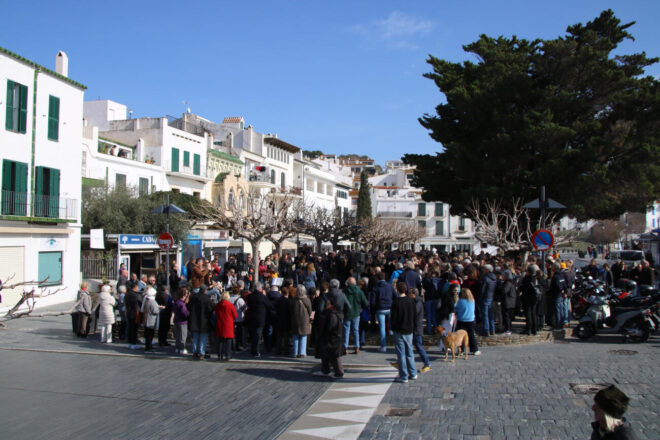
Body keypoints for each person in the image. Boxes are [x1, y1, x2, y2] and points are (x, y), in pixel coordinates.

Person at [391, 282, 417, 383]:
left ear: (397, 290)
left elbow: (393, 318)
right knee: (409, 352)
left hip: (399, 329)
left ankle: (404, 375)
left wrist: (393, 328)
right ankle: (413, 372)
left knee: (401, 353)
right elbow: (414, 316)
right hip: (409, 329)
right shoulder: (411, 301)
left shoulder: (396, 302)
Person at [314, 297, 344, 378]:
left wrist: (324, 331)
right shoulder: (331, 313)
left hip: (332, 338)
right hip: (331, 337)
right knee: (326, 355)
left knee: (334, 356)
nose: (326, 305)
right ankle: (325, 370)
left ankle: (339, 373)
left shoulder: (332, 314)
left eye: (327, 304)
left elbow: (330, 327)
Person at [370, 272, 396, 352]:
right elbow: (395, 295)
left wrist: (373, 309)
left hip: (380, 308)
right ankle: (395, 342)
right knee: (393, 326)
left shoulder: (375, 287)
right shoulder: (390, 286)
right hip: (389, 307)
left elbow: (373, 300)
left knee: (382, 327)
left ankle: (383, 346)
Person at [246, 281, 273, 357]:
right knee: (258, 335)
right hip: (260, 318)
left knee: (253, 335)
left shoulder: (250, 296)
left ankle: (253, 350)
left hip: (252, 317)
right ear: (260, 289)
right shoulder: (262, 297)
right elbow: (269, 305)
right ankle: (256, 351)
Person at [343, 277, 369, 355]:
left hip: (347, 312)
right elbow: (366, 303)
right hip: (356, 312)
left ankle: (345, 347)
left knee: (346, 330)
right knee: (356, 330)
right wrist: (360, 307)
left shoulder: (345, 291)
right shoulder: (359, 291)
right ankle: (357, 346)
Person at [188, 284, 214, 360]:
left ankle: (195, 352)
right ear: (205, 290)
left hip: (195, 320)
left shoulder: (194, 297)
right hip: (204, 321)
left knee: (195, 337)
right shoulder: (206, 298)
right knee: (203, 338)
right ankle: (202, 352)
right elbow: (210, 310)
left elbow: (188, 307)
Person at [408, 287, 431, 373]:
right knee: (410, 346)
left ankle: (427, 363)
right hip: (414, 327)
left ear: (414, 294)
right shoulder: (416, 302)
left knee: (418, 346)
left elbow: (414, 313)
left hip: (416, 328)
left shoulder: (418, 302)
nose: (408, 295)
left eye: (409, 293)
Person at [454, 288, 480, 355]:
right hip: (471, 320)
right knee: (471, 335)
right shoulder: (472, 301)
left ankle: (461, 350)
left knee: (460, 336)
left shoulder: (460, 301)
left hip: (461, 320)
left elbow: (456, 309)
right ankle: (475, 350)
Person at [290, 284, 312, 358]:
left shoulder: (293, 300)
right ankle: (302, 352)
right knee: (303, 336)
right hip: (304, 319)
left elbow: (291, 311)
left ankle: (295, 352)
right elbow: (310, 310)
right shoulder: (307, 300)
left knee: (295, 336)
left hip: (295, 319)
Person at [215, 290, 238, 361]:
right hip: (228, 324)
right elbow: (235, 315)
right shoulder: (230, 305)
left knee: (220, 340)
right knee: (228, 340)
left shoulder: (218, 305)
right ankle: (227, 355)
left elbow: (215, 312)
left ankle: (220, 355)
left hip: (220, 323)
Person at [520, 265, 541, 335]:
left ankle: (528, 329)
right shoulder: (536, 278)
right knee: (534, 314)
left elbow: (523, 288)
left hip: (527, 298)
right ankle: (534, 329)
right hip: (535, 299)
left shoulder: (527, 279)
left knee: (528, 314)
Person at [141, 287, 162, 352]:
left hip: (146, 318)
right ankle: (148, 347)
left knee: (147, 334)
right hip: (151, 319)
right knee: (150, 334)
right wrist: (160, 309)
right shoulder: (152, 301)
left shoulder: (146, 299)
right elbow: (155, 311)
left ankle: (148, 346)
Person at [172, 287, 190, 355]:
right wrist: (189, 314)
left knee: (177, 336)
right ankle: (182, 348)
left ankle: (177, 348)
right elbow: (185, 313)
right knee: (182, 336)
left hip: (176, 320)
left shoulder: (176, 302)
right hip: (182, 321)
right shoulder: (182, 304)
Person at [229, 286, 247, 351]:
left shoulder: (229, 299)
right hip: (239, 318)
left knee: (231, 333)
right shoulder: (240, 300)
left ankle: (231, 345)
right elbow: (245, 309)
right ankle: (238, 346)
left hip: (231, 319)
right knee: (239, 334)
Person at [124, 283, 141, 349]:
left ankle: (130, 342)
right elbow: (137, 304)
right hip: (134, 313)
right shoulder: (135, 295)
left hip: (128, 312)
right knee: (134, 329)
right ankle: (133, 343)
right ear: (135, 287)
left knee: (130, 328)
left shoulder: (127, 294)